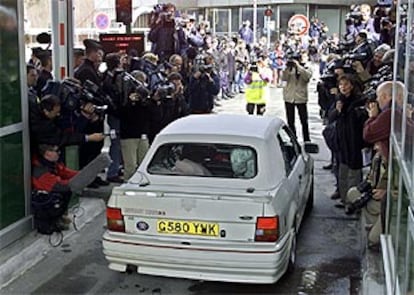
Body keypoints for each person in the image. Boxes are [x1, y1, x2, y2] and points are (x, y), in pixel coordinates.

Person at [329, 74, 368, 208]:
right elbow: (331, 117)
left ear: (351, 85)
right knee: (343, 172)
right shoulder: (339, 100)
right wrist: (337, 110)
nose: (343, 87)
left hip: (354, 141)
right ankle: (344, 199)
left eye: (346, 84)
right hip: (341, 142)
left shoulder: (358, 101)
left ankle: (353, 202)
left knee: (354, 174)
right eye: (341, 85)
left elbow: (361, 120)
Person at [74, 39, 108, 188]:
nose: (101, 56)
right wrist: (92, 112)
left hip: (95, 114)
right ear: (92, 53)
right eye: (98, 53)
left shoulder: (92, 69)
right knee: (90, 149)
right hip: (90, 116)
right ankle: (88, 178)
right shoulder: (86, 71)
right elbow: (88, 95)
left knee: (96, 148)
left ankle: (93, 175)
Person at [31, 144, 77, 232]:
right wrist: (77, 181)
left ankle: (58, 217)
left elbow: (65, 172)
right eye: (56, 151)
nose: (59, 153)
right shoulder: (41, 171)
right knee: (61, 194)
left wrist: (82, 174)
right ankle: (52, 221)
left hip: (48, 189)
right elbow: (60, 186)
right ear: (48, 153)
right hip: (41, 198)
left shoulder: (50, 164)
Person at [281, 54, 313, 142]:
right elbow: (284, 79)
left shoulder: (306, 67)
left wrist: (298, 66)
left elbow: (307, 77)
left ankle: (306, 139)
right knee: (290, 121)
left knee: (304, 120)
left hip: (300, 98)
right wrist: (287, 69)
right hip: (289, 97)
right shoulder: (288, 69)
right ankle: (293, 138)